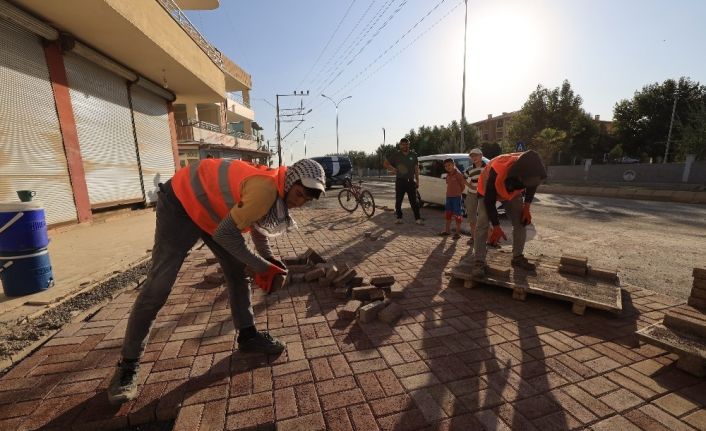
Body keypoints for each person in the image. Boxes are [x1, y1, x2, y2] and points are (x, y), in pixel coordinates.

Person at [107, 158, 326, 405]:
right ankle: (128, 365)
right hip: (181, 203)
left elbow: (255, 225)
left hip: (214, 215)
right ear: (290, 182)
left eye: (305, 200)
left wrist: (269, 260)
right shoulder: (266, 189)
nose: (298, 202)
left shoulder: (276, 188)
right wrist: (263, 268)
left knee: (237, 272)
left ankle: (248, 335)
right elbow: (227, 234)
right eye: (298, 194)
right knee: (159, 285)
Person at [472, 150, 547, 277]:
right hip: (486, 190)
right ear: (518, 175)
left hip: (511, 194)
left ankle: (517, 257)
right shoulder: (498, 169)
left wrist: (527, 207)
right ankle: (479, 261)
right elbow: (490, 202)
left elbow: (532, 186)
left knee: (520, 222)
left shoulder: (532, 167)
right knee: (483, 223)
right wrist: (496, 226)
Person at [383, 138, 423, 225]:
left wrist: (417, 180)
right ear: (400, 145)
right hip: (400, 181)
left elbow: (416, 168)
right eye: (403, 144)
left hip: (411, 181)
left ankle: (418, 219)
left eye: (407, 144)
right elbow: (385, 164)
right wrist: (393, 169)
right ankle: (399, 218)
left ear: (409, 145)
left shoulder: (413, 155)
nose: (405, 146)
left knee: (414, 201)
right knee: (398, 201)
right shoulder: (396, 155)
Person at [464, 148, 487, 243]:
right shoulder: (469, 169)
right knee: (471, 216)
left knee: (484, 216)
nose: (473, 157)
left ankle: (485, 239)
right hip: (472, 194)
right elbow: (463, 178)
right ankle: (473, 238)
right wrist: (470, 186)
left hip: (483, 195)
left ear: (481, 156)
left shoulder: (487, 167)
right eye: (472, 156)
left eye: (475, 155)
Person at [440, 158, 465, 238]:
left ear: (454, 165)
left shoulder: (458, 174)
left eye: (449, 165)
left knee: (458, 215)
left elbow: (463, 186)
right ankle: (447, 231)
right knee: (448, 214)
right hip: (449, 197)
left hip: (456, 198)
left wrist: (458, 193)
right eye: (446, 166)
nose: (448, 167)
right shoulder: (447, 175)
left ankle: (457, 233)